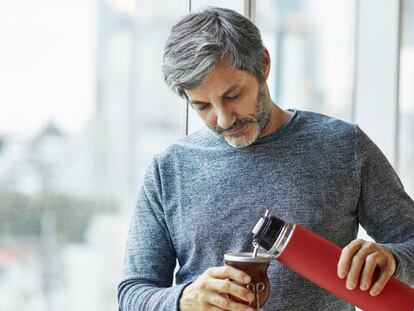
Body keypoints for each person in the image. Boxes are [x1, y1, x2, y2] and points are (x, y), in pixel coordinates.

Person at [117, 7, 414, 311]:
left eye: (232, 95)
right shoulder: (168, 170)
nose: (222, 118)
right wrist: (182, 300)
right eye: (202, 106)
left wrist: (392, 260)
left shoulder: (343, 147)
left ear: (263, 64)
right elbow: (131, 295)